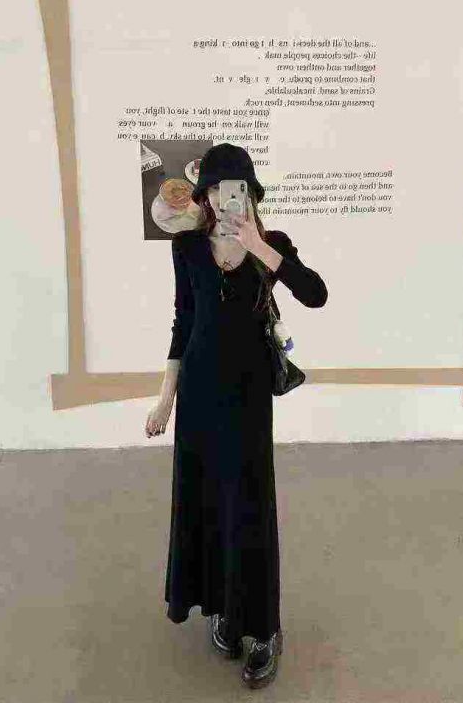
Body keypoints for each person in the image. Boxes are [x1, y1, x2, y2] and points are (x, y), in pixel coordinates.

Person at [145, 143, 328, 689]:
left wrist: (258, 247)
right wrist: (164, 399)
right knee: (208, 502)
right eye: (220, 189)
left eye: (239, 188)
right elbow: (183, 324)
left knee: (249, 504)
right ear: (205, 197)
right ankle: (224, 608)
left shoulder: (272, 246)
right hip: (198, 397)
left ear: (251, 194)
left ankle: (265, 628)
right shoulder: (186, 248)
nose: (229, 198)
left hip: (247, 398)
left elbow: (316, 295)